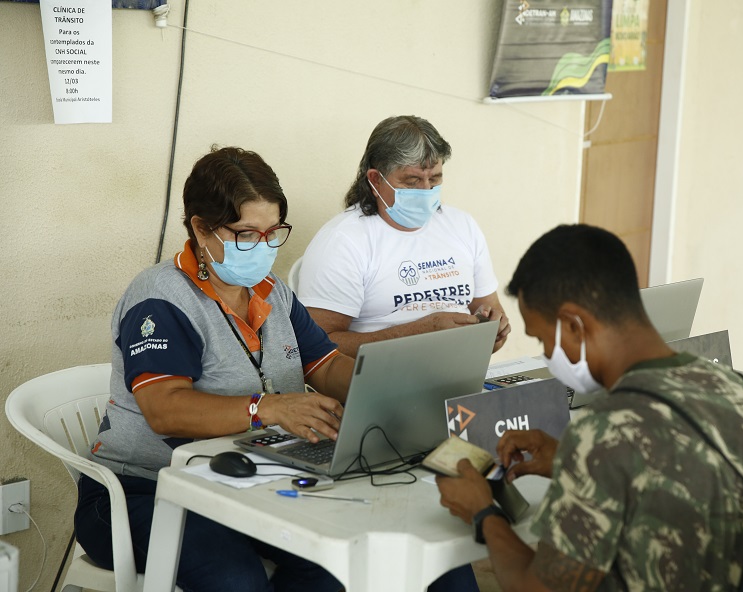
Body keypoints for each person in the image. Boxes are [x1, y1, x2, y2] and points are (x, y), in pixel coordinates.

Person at [435, 224, 743, 591]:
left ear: (574, 325)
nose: (546, 356)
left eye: (544, 340)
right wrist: (567, 460)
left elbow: (538, 588)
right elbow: (679, 475)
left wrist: (484, 513)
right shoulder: (732, 386)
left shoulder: (602, 435)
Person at [75, 146, 354, 592]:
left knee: (333, 558)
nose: (263, 247)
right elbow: (165, 410)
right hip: (142, 490)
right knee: (234, 578)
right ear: (202, 228)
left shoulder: (271, 291)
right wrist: (271, 409)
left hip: (243, 479)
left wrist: (386, 385)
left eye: (272, 233)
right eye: (245, 234)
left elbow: (326, 364)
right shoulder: (161, 299)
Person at [297, 115, 511, 357]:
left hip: (461, 371)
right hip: (382, 383)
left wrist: (494, 330)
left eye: (435, 178)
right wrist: (418, 333)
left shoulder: (462, 225)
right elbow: (318, 347)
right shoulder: (343, 241)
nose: (427, 190)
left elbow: (490, 309)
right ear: (376, 179)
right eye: (412, 181)